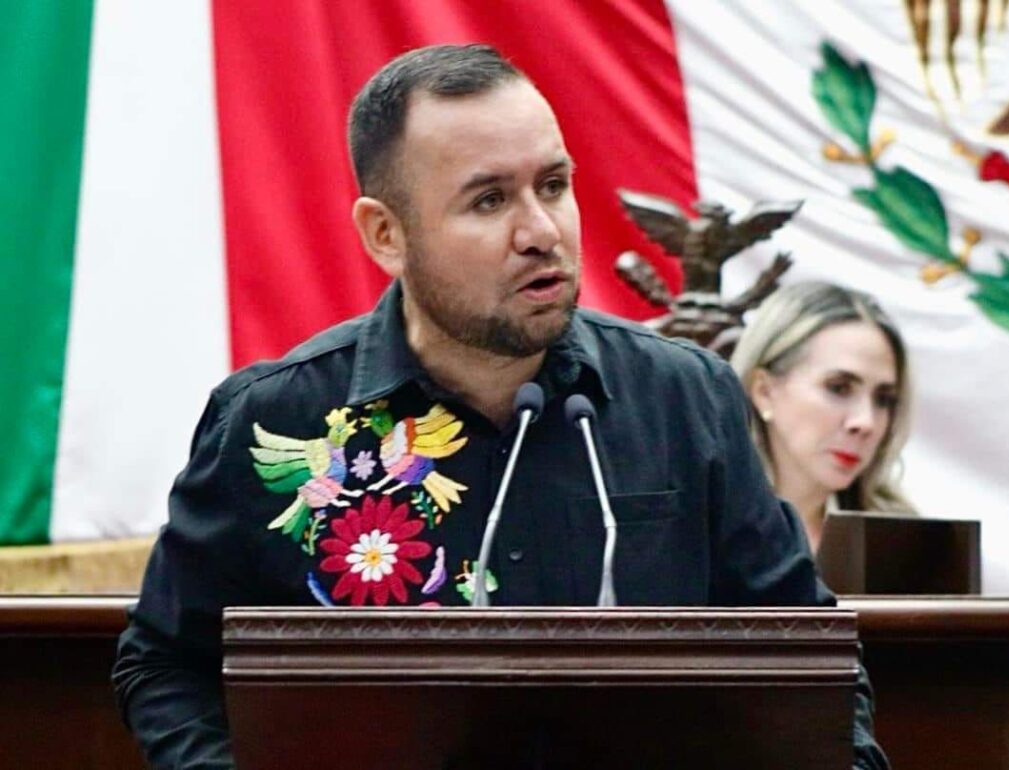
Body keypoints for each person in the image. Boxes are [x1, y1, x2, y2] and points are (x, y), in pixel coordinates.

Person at [113, 45, 889, 769]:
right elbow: (166, 665)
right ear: (386, 235)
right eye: (489, 201)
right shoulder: (277, 421)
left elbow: (812, 661)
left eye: (553, 186)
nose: (542, 232)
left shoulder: (685, 399)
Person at [730, 281, 914, 552]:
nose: (866, 422)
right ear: (764, 391)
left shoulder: (903, 543)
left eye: (884, 399)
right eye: (839, 388)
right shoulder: (693, 532)